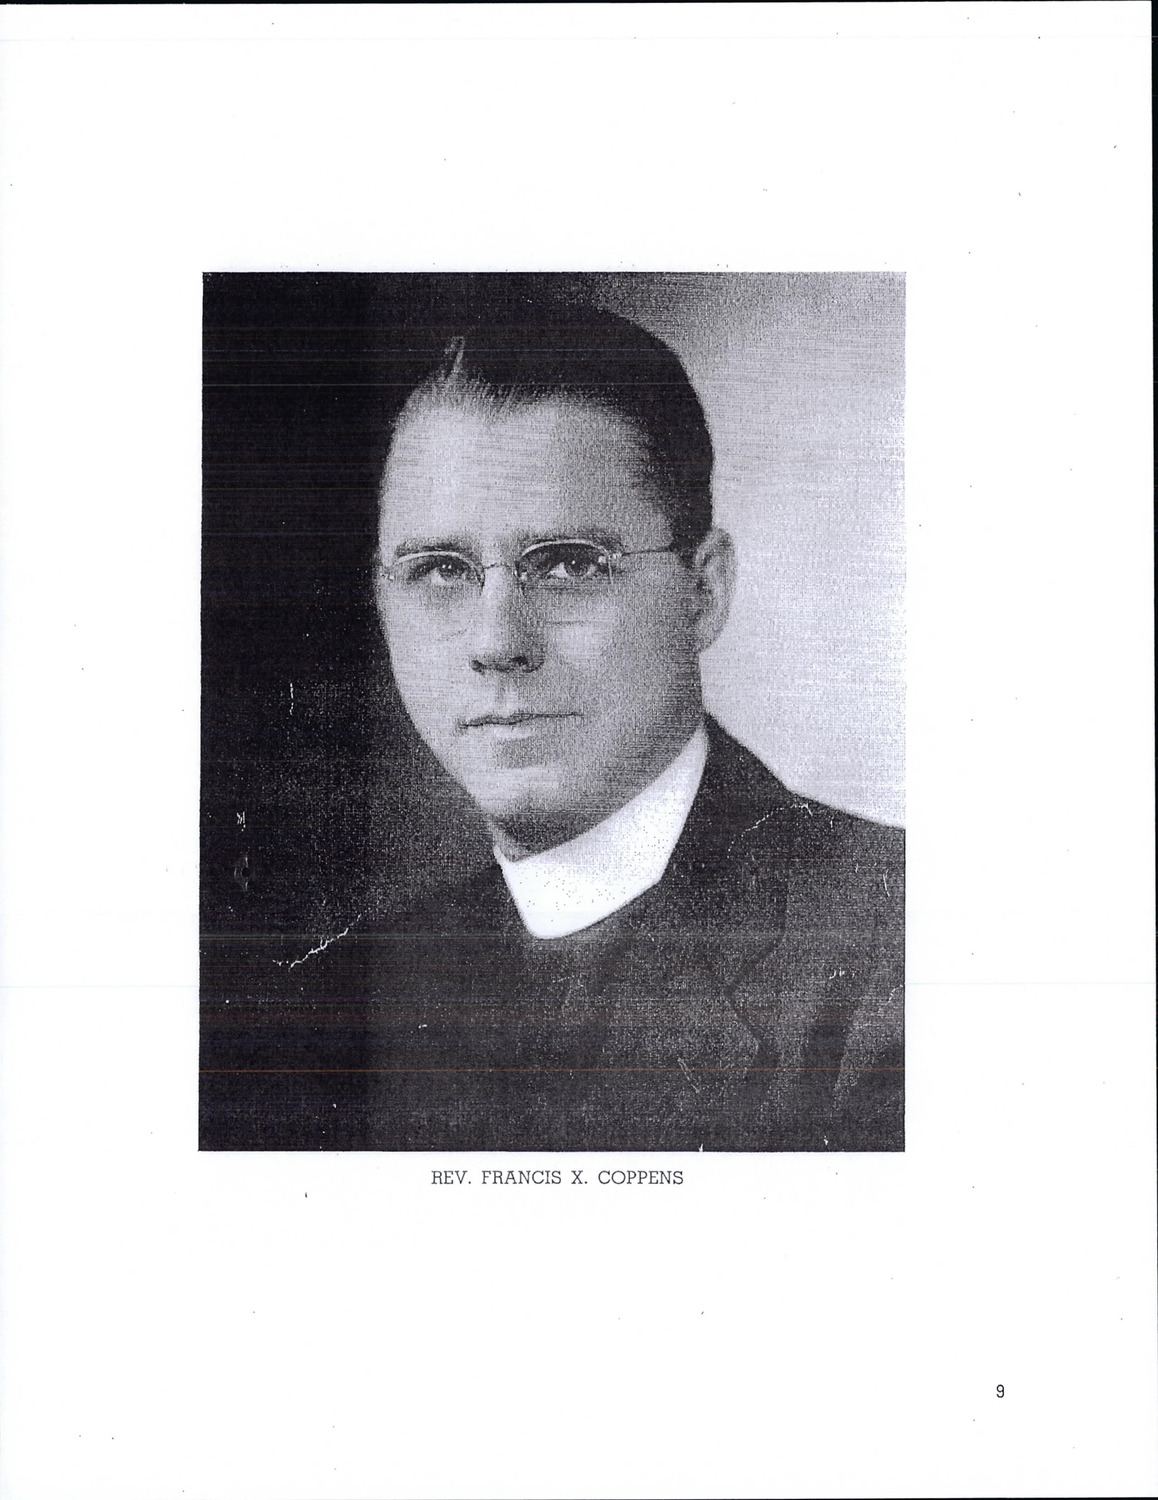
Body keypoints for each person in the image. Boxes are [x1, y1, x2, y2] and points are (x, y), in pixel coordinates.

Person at [224, 300, 903, 1152]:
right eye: (439, 571)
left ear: (702, 593)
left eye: (570, 565)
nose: (497, 643)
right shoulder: (334, 1001)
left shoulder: (901, 952)